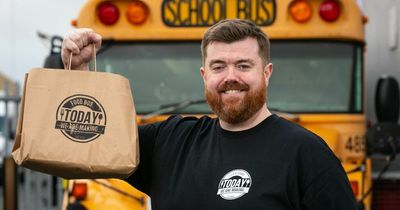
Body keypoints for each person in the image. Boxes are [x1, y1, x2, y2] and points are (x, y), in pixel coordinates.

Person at [61, 19, 358, 210]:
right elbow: (90, 144)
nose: (231, 77)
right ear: (204, 75)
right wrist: (78, 74)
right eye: (218, 67)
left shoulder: (307, 154)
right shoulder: (170, 142)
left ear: (266, 73)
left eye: (243, 65)